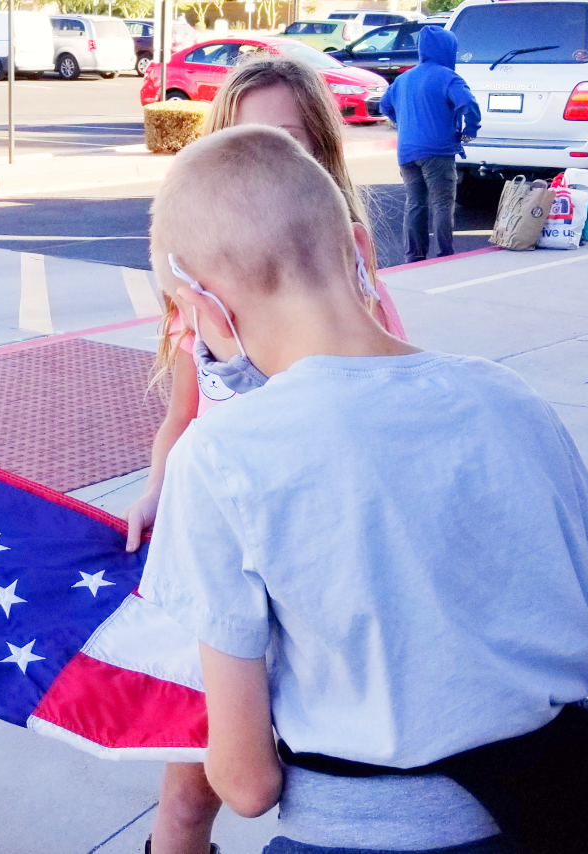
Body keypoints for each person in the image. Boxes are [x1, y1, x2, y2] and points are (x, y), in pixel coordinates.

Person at [139, 125, 588, 853]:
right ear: (361, 248)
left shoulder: (222, 457)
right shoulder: (510, 398)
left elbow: (246, 784)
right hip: (562, 820)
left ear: (205, 308)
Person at [125, 54, 409, 854]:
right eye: (243, 142)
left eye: (284, 141)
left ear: (321, 154)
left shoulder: (358, 293)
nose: (262, 164)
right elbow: (181, 418)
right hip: (221, 572)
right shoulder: (198, 302)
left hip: (315, 567)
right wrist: (155, 489)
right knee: (188, 798)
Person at [378, 26, 481, 262]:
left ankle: (414, 256)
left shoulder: (403, 79)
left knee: (415, 203)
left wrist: (402, 123)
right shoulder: (448, 77)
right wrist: (470, 131)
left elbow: (384, 105)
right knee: (442, 203)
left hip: (406, 152)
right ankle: (445, 254)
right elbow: (468, 103)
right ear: (447, 50)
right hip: (439, 151)